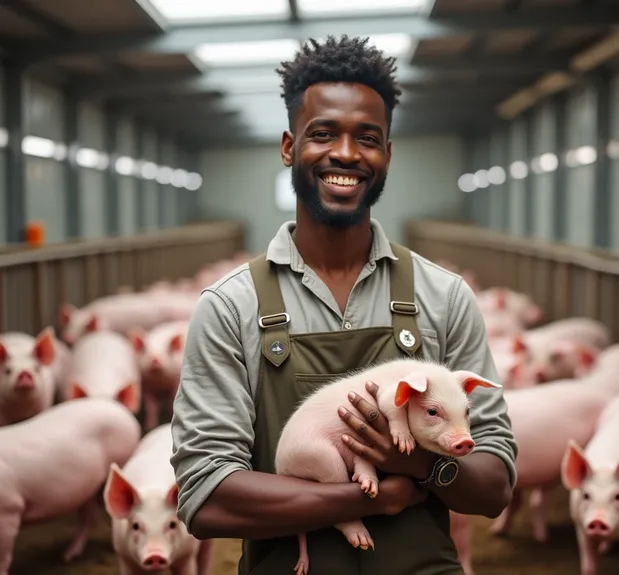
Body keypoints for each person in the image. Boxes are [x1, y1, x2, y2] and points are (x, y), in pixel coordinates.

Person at [170, 34, 518, 575]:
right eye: (323, 134)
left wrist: (422, 461)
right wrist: (368, 499)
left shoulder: (444, 297)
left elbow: (494, 485)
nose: (346, 154)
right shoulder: (229, 307)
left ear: (387, 154)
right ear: (290, 147)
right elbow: (206, 496)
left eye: (368, 138)